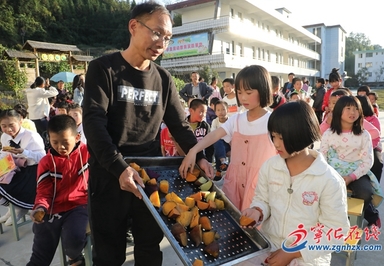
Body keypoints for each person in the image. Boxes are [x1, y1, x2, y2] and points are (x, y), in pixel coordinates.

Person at [82, 2, 213, 265]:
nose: (162, 43)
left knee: (149, 249)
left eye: (167, 38)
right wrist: (119, 168)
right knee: (108, 254)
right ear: (134, 26)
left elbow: (179, 126)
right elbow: (93, 124)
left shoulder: (163, 79)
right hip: (109, 173)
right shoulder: (103, 69)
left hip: (150, 175)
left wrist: (198, 154)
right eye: (157, 33)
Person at [240, 101, 349, 266]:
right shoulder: (270, 167)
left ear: (302, 135)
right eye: (273, 136)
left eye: (281, 138)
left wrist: (293, 251)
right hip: (270, 246)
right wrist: (258, 211)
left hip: (308, 257)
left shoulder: (329, 180)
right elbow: (262, 199)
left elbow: (336, 232)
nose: (275, 143)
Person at [179, 65, 276, 211]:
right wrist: (193, 151)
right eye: (239, 92)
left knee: (256, 226)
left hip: (260, 188)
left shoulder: (273, 122)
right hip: (235, 185)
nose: (243, 97)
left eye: (248, 92)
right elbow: (213, 135)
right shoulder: (236, 119)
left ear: (263, 90)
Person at [27, 114, 90, 266]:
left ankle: (75, 259)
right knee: (40, 254)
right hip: (52, 208)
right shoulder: (46, 162)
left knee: (74, 239)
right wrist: (40, 207)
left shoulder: (88, 153)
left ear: (77, 137)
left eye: (65, 142)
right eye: (54, 142)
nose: (60, 147)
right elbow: (43, 191)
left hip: (79, 205)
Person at [320, 96, 383, 228]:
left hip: (356, 172)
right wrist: (330, 175)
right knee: (321, 192)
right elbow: (323, 157)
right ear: (338, 111)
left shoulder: (364, 135)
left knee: (365, 193)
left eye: (356, 109)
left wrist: (351, 177)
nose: (352, 112)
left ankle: (356, 219)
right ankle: (332, 220)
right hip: (333, 171)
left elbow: (368, 161)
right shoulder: (329, 134)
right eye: (348, 108)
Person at [0, 109, 45, 225]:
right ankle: (13, 208)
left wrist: (24, 152)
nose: (8, 129)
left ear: (20, 121)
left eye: (11, 125)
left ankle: (20, 208)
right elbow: (5, 154)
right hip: (15, 168)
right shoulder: (4, 137)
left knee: (15, 186)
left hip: (33, 170)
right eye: (3, 126)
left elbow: (43, 158)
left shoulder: (32, 136)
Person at [356, 96, 383, 182]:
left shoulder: (373, 118)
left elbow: (376, 137)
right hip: (354, 146)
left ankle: (375, 184)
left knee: (377, 163)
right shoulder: (351, 117)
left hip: (372, 146)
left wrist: (367, 148)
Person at [211, 100, 230, 181]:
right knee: (217, 144)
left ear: (227, 110)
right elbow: (213, 134)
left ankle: (219, 170)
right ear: (215, 112)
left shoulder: (231, 121)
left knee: (218, 145)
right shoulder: (215, 122)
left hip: (229, 143)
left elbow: (231, 135)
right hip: (219, 143)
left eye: (223, 109)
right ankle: (223, 162)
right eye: (218, 110)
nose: (221, 112)